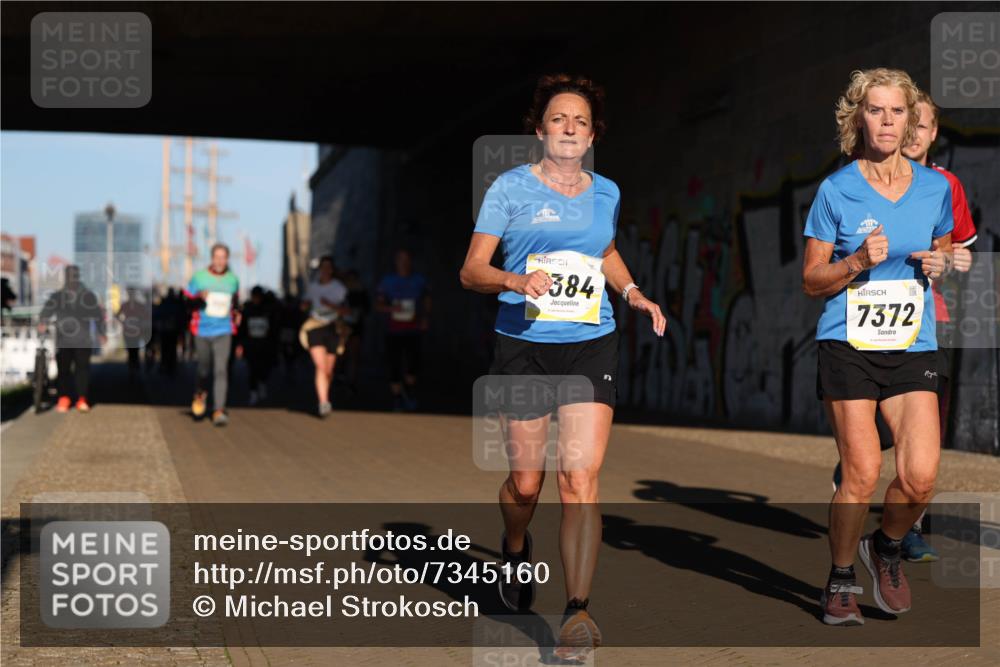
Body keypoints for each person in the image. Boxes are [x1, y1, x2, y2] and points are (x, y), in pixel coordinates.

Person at [460, 74, 665, 659]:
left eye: (580, 121)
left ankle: (576, 611)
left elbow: (603, 251)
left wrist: (632, 294)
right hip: (522, 343)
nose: (569, 128)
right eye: (558, 119)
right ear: (540, 129)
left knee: (579, 480)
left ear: (594, 133)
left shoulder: (608, 192)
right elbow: (472, 270)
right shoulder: (509, 188)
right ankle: (517, 543)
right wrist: (515, 278)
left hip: (590, 343)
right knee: (527, 482)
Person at [803, 68, 955, 626]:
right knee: (862, 471)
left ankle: (885, 548)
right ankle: (841, 576)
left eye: (897, 111)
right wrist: (858, 261)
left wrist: (942, 262)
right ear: (857, 118)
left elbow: (943, 249)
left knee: (919, 477)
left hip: (913, 342)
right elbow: (812, 279)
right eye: (876, 110)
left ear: (911, 119)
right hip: (848, 340)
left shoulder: (935, 188)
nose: (887, 121)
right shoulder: (835, 190)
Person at [831, 90, 979, 563]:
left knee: (921, 447)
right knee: (870, 452)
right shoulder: (853, 180)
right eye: (898, 120)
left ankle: (904, 532)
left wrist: (950, 261)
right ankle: (854, 476)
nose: (909, 132)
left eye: (918, 124)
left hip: (927, 322)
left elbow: (957, 252)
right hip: (861, 329)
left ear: (932, 132)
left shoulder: (943, 186)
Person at [38, 265, 107, 413]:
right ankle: (64, 398)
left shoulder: (88, 296)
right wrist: (43, 321)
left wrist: (102, 332)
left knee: (82, 370)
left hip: (83, 339)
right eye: (69, 276)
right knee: (63, 370)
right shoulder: (57, 296)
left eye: (73, 275)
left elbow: (97, 315)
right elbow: (47, 310)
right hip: (63, 339)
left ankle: (82, 398)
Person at [185, 243, 240, 426]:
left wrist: (238, 314)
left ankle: (218, 410)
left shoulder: (233, 280)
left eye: (223, 257)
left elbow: (236, 302)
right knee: (203, 368)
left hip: (224, 330)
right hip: (202, 330)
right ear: (211, 258)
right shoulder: (199, 277)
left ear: (227, 259)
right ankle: (200, 393)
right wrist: (198, 295)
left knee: (221, 370)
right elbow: (185, 297)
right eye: (217, 257)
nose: (219, 261)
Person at [376, 249, 431, 411]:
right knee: (393, 363)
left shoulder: (419, 280)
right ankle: (397, 398)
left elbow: (427, 299)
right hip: (393, 329)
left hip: (413, 329)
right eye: (400, 259)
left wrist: (425, 318)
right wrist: (391, 308)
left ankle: (408, 390)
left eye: (406, 259)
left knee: (413, 364)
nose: (403, 262)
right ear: (396, 261)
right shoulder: (388, 281)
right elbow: (378, 305)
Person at [302, 256, 348, 417]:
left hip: (333, 327)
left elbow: (346, 311)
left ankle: (325, 395)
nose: (326, 270)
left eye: (329, 266)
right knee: (320, 366)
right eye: (323, 267)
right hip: (315, 327)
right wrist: (304, 305)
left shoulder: (339, 288)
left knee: (328, 370)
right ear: (320, 269)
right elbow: (305, 303)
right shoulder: (313, 287)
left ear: (332, 269)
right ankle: (323, 401)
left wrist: (331, 305)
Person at [236, 285, 278, 406]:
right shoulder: (247, 309)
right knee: (252, 369)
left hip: (265, 344)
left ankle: (262, 384)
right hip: (251, 345)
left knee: (264, 367)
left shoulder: (268, 309)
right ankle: (253, 392)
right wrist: (241, 344)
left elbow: (274, 327)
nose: (256, 299)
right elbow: (243, 328)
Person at [341, 269, 371, 395]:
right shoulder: (341, 292)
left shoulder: (361, 292)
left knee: (353, 354)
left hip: (355, 326)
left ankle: (350, 380)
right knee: (343, 353)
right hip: (343, 326)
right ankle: (344, 377)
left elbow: (367, 309)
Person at [116, 287, 147, 380]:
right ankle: (133, 367)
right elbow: (117, 315)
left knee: (134, 349)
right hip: (129, 331)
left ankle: (133, 367)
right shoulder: (126, 305)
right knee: (132, 350)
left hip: (134, 331)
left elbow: (145, 316)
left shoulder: (135, 305)